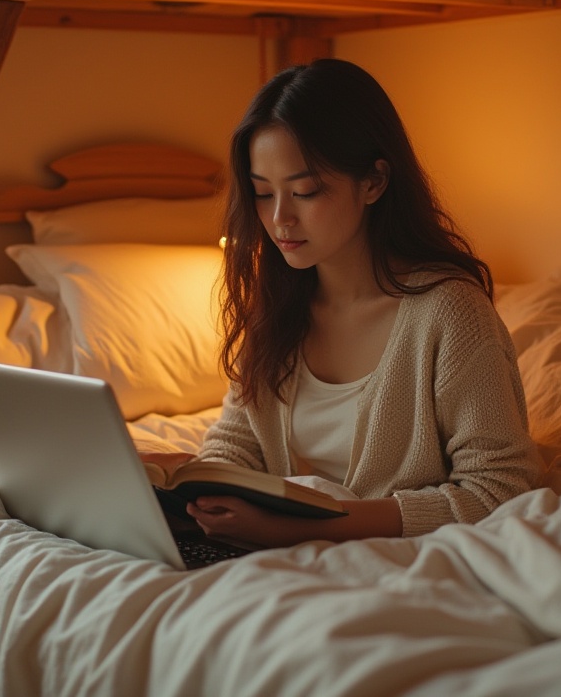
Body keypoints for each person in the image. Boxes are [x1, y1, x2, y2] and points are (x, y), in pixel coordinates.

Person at [182, 58, 541, 549]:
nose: (280, 218)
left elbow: (497, 490)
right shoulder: (279, 304)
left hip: (402, 560)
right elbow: (238, 442)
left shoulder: (450, 313)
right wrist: (197, 490)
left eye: (305, 191)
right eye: (263, 194)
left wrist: (298, 530)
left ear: (373, 182)